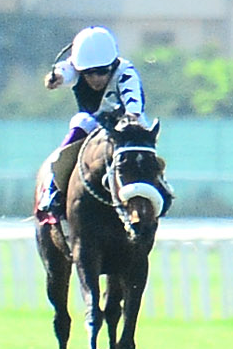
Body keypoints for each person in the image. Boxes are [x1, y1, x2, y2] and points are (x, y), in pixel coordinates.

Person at [36, 26, 162, 228]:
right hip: (94, 123)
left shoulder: (126, 73)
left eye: (102, 72)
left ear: (112, 65)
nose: (95, 79)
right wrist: (56, 78)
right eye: (88, 73)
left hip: (126, 127)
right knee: (80, 123)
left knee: (143, 150)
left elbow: (134, 109)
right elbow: (64, 71)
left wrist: (127, 120)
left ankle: (160, 188)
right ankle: (52, 191)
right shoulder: (75, 69)